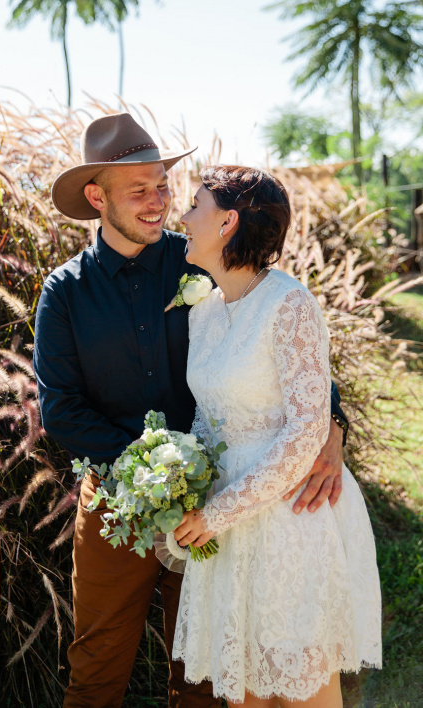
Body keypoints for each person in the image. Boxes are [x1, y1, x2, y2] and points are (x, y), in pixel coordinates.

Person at [33, 113, 349, 708]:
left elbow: (287, 343)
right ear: (97, 197)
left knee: (203, 668)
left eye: (163, 186)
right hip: (116, 503)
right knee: (97, 663)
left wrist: (332, 426)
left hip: (219, 499)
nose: (159, 203)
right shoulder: (66, 291)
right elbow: (61, 410)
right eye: (139, 190)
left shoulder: (205, 256)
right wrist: (150, 475)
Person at [172, 165, 382, 707]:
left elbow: (307, 431)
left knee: (302, 689)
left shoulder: (290, 306)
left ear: (227, 222)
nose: (183, 217)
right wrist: (180, 481)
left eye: (195, 205)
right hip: (227, 528)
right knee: (242, 691)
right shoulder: (205, 312)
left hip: (291, 518)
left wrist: (217, 514)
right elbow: (209, 416)